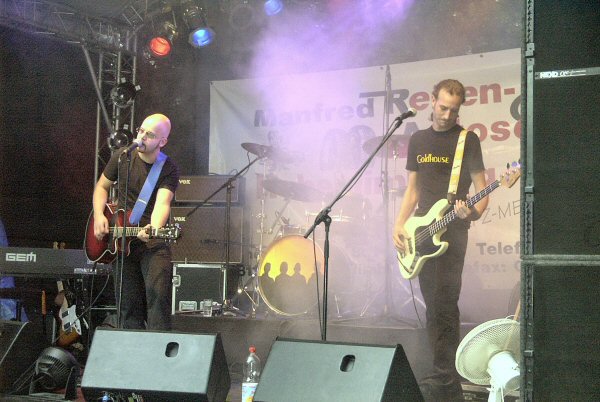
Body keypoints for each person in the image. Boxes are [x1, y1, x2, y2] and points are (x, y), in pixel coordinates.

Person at [392, 79, 489, 401]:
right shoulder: (418, 139)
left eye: (454, 110)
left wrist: (470, 213)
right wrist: (399, 224)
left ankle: (444, 378)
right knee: (433, 306)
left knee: (445, 304)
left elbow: (482, 191)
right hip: (421, 232)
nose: (447, 115)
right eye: (443, 107)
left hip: (453, 232)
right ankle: (444, 379)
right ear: (432, 101)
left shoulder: (467, 140)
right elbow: (413, 190)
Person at [93, 113, 179, 330]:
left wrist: (154, 228)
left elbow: (163, 203)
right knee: (128, 306)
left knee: (158, 299)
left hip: (151, 241)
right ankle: (132, 348)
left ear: (162, 141)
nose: (141, 137)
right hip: (122, 242)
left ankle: (159, 348)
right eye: (141, 131)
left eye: (149, 135)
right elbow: (101, 187)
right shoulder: (122, 156)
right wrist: (99, 215)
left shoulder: (167, 167)